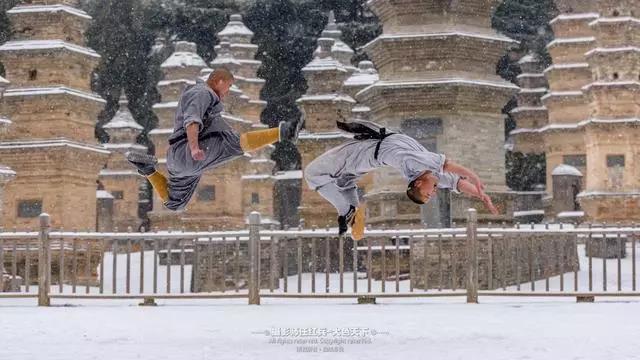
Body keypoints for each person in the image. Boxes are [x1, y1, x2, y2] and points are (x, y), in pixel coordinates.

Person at [126, 68, 301, 211]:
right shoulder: (203, 93)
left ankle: (148, 170)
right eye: (229, 86)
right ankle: (284, 131)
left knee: (175, 203)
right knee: (234, 144)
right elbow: (192, 121)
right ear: (219, 81)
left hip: (178, 160)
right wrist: (194, 148)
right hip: (188, 152)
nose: (228, 91)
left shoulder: (201, 94)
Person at [304, 120, 498, 240]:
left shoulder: (413, 164)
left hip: (362, 154)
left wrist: (475, 177)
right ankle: (355, 215)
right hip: (367, 155)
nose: (435, 191)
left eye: (429, 193)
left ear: (419, 184)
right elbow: (457, 183)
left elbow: (448, 165)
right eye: (432, 194)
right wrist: (481, 195)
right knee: (344, 182)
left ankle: (346, 210)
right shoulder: (430, 175)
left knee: (313, 174)